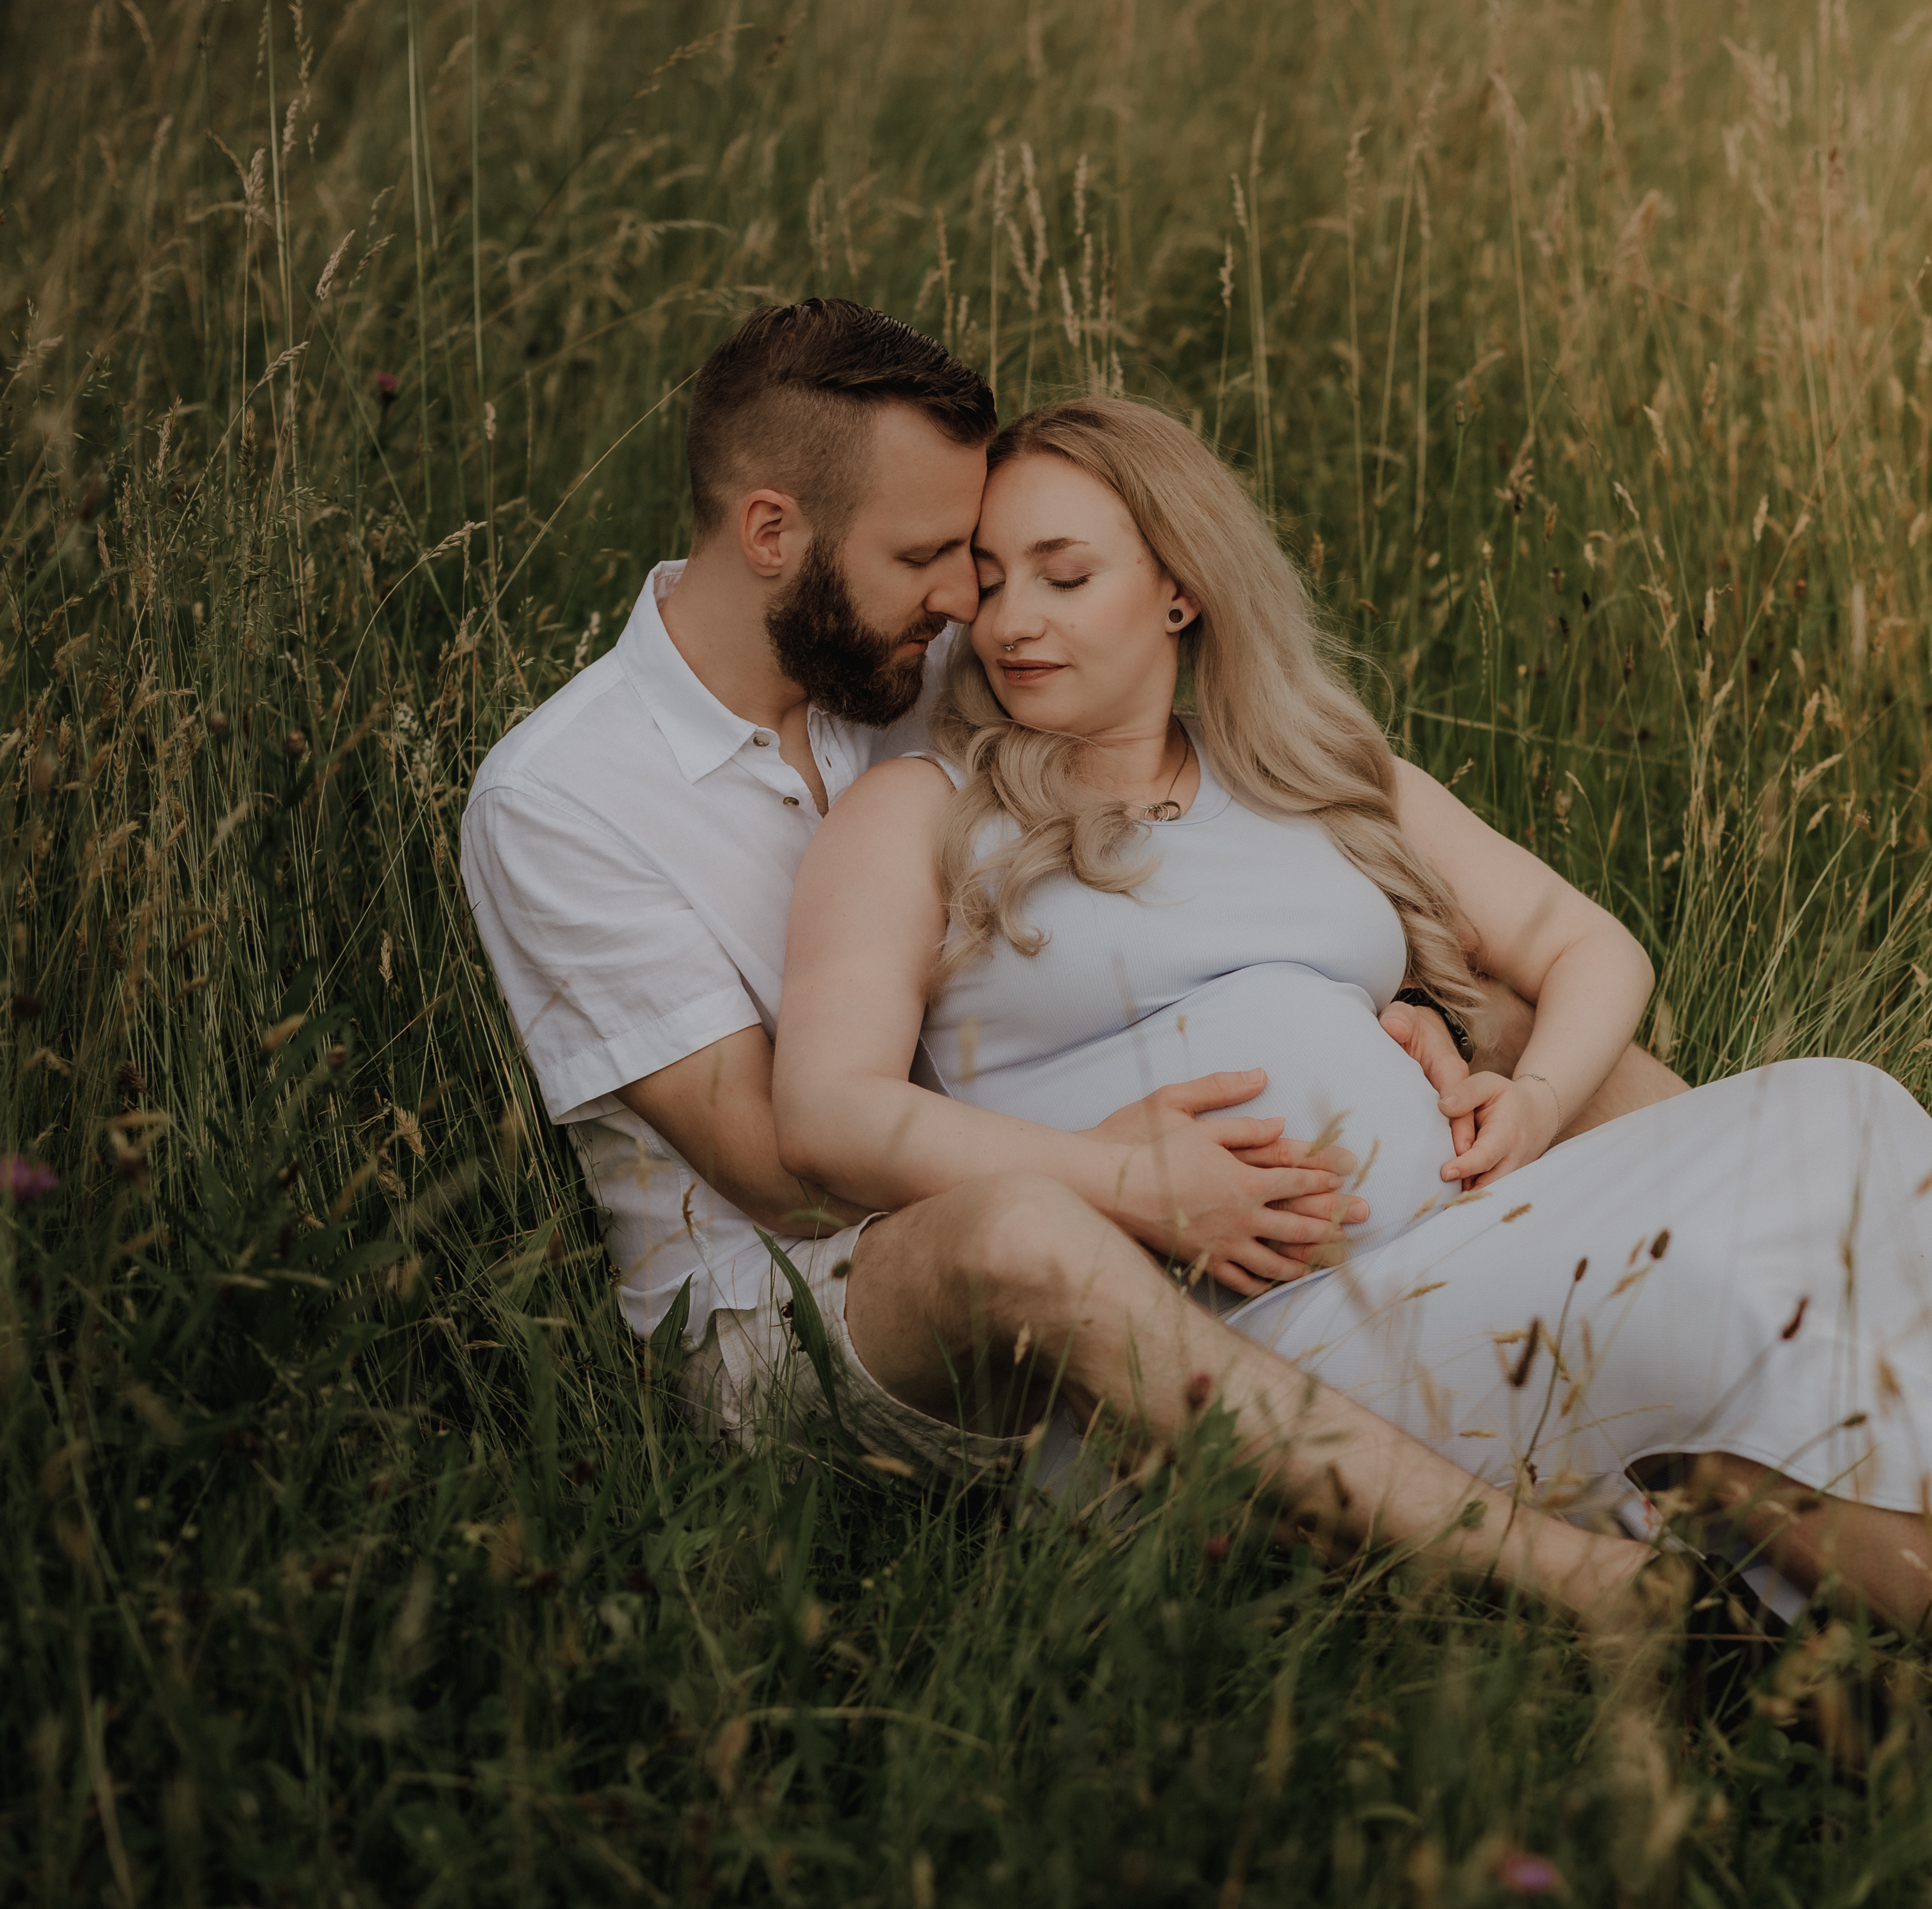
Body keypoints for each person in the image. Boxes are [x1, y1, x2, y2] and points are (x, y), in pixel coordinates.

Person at [768, 395, 1932, 1817]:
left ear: (1183, 591)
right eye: (990, 579)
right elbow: (831, 1114)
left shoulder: (1307, 779)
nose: (1007, 620)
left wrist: (1527, 1095)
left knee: (1842, 1103)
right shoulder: (922, 815)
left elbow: (1593, 948)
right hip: (1238, 1338)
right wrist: (1125, 1179)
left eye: (1064, 574)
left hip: (1459, 1254)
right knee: (1740, 1311)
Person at [459, 300, 1690, 1641]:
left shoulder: (910, 671)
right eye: (931, 557)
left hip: (1072, 1163)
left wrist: (1378, 1012)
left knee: (1520, 1021)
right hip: (805, 1302)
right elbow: (780, 1163)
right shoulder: (562, 798)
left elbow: (1144, 885)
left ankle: (1769, 1362)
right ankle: (1563, 1582)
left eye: (974, 568)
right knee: (1021, 1233)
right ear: (773, 534)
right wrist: (1121, 1176)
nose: (964, 609)